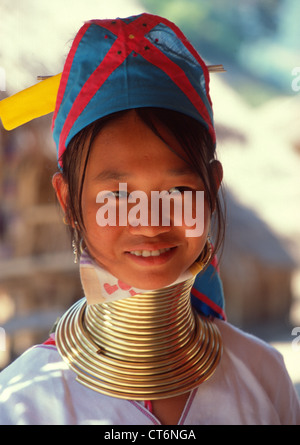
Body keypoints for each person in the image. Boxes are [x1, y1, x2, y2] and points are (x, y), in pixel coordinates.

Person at [0, 13, 299, 426]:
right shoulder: (23, 405)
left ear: (212, 189)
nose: (151, 222)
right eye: (118, 195)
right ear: (68, 201)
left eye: (178, 192)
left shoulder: (265, 379)